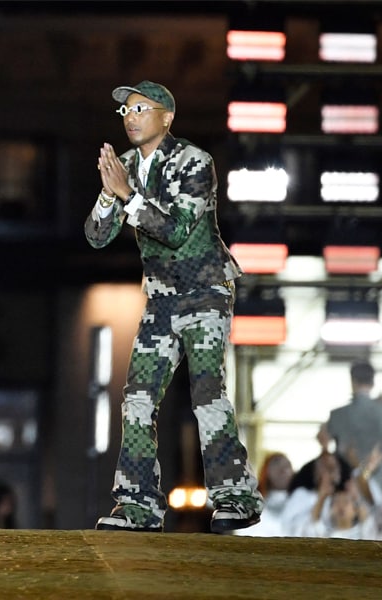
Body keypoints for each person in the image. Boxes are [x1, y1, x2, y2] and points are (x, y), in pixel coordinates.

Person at [86, 80, 262, 533]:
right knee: (137, 399)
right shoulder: (124, 167)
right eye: (125, 110)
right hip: (162, 296)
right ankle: (139, 506)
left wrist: (127, 195)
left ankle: (236, 497)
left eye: (141, 108)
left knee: (206, 391)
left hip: (205, 290)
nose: (130, 116)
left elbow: (177, 229)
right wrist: (109, 195)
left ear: (166, 117)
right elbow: (96, 236)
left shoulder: (194, 162)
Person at [322, 361, 382, 488]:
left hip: (349, 486)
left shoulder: (337, 415)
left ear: (352, 381)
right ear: (373, 382)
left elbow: (323, 439)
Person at [235, 452, 294, 537]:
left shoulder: (302, 500)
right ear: (266, 471)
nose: (282, 469)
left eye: (287, 465)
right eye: (276, 463)